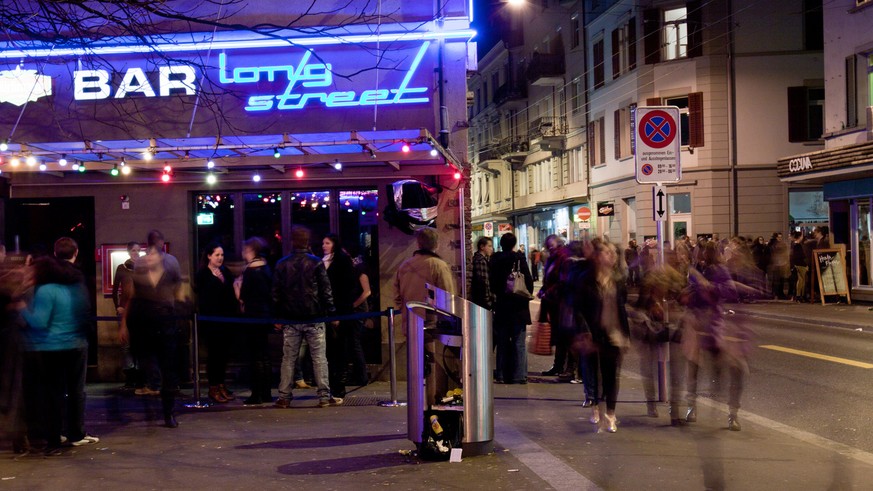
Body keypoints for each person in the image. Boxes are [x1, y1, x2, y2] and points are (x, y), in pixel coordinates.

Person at [21, 238, 98, 454]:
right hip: (77, 343)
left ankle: (54, 437)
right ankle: (76, 432)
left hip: (51, 346)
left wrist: (20, 308)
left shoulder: (46, 290)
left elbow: (39, 322)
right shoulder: (78, 287)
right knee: (77, 391)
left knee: (54, 393)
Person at [681, 241, 749, 431]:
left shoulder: (720, 270)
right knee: (693, 363)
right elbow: (689, 295)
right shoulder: (695, 270)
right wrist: (690, 293)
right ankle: (691, 405)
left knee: (736, 366)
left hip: (716, 323)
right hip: (697, 321)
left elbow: (729, 291)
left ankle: (732, 413)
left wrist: (709, 287)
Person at [272, 225, 342, 409]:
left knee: (288, 358)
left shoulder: (282, 263)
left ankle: (284, 396)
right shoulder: (316, 262)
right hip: (315, 316)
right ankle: (324, 396)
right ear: (307, 242)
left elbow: (276, 293)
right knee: (319, 358)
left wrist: (277, 315)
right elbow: (326, 290)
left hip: (290, 318)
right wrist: (332, 312)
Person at [120, 232, 184, 428]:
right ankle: (155, 386)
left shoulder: (170, 270)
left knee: (169, 371)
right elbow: (131, 297)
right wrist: (124, 324)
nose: (150, 259)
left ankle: (169, 412)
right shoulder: (139, 274)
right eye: (149, 255)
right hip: (144, 323)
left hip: (166, 323)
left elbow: (179, 293)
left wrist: (179, 312)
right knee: (148, 361)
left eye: (154, 255)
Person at [572, 239, 630, 433]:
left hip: (613, 332)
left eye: (612, 253)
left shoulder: (618, 280)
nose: (611, 256)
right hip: (594, 333)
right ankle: (596, 407)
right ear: (597, 257)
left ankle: (611, 415)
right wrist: (584, 331)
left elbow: (622, 308)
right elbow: (578, 309)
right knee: (594, 373)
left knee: (611, 375)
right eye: (607, 253)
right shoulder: (586, 279)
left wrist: (626, 334)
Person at [194, 243, 239, 403]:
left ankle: (221, 384)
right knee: (214, 356)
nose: (220, 258)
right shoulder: (203, 274)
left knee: (223, 356)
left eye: (222, 255)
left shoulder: (225, 271)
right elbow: (205, 299)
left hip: (226, 321)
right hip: (212, 322)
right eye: (217, 255)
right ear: (209, 256)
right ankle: (213, 387)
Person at [234, 237, 274, 405]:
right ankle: (266, 392)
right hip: (265, 315)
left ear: (250, 250)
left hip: (252, 316)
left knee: (255, 356)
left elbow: (243, 297)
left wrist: (237, 286)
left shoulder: (250, 271)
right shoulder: (266, 267)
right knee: (264, 355)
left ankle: (256, 393)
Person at [490, 232, 534, 384]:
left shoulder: (495, 259)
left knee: (502, 342)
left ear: (501, 244)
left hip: (502, 305)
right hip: (518, 306)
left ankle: (501, 375)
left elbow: (492, 282)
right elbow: (528, 281)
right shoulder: (519, 258)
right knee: (518, 342)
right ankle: (519, 375)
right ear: (514, 244)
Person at [393, 227, 456, 325]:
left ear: (418, 244)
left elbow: (397, 295)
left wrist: (406, 310)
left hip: (409, 320)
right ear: (436, 244)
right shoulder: (439, 265)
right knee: (428, 340)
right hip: (430, 322)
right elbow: (447, 296)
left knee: (412, 340)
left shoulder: (404, 265)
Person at [321, 233, 358, 399]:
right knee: (330, 350)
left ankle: (340, 385)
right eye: (323, 243)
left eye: (327, 243)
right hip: (327, 311)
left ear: (334, 244)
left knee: (340, 348)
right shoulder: (322, 261)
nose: (324, 245)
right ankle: (331, 384)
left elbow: (347, 286)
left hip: (341, 310)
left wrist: (338, 312)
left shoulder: (342, 261)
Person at [112, 241, 140, 389]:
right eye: (133, 251)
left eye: (138, 251)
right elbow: (115, 290)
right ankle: (130, 374)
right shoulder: (122, 268)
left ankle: (140, 374)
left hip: (138, 310)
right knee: (126, 344)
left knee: (138, 342)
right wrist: (118, 307)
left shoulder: (142, 268)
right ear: (129, 252)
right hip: (125, 310)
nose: (136, 253)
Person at [471, 236, 495, 310]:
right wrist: (488, 301)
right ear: (482, 247)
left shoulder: (478, 258)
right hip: (482, 301)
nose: (491, 249)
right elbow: (484, 282)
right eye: (489, 246)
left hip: (479, 299)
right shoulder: (481, 261)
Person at [789, 231, 808, 302]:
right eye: (802, 236)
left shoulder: (794, 245)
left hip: (797, 264)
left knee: (800, 280)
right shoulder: (798, 245)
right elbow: (800, 256)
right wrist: (805, 264)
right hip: (800, 265)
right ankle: (800, 296)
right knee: (801, 281)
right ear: (799, 237)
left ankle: (799, 296)